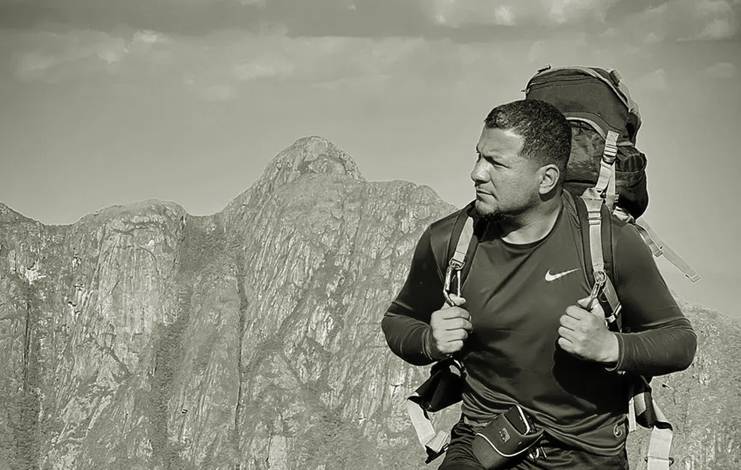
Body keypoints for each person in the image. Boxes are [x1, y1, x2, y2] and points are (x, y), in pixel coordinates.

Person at [381, 99, 697, 469]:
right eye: (479, 156)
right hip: (485, 444)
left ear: (546, 178)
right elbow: (399, 319)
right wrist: (428, 341)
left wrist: (610, 346)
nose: (476, 173)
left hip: (585, 457)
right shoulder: (450, 241)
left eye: (496, 163)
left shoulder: (609, 244)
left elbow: (680, 342)